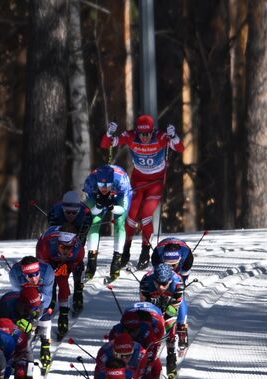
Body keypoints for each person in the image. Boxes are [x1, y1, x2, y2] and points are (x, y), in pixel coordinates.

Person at [102, 116, 184, 270]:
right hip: (138, 181)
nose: (144, 138)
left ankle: (145, 251)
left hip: (156, 183)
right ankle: (125, 252)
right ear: (137, 132)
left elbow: (180, 148)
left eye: (147, 134)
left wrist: (174, 136)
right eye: (141, 134)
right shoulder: (131, 136)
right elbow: (106, 144)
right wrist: (109, 134)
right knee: (131, 215)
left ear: (152, 132)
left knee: (146, 215)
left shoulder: (160, 137)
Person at [111, 302, 168, 379]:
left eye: (134, 330)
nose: (131, 334)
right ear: (122, 327)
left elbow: (151, 358)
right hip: (132, 341)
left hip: (154, 323)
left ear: (139, 327)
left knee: (148, 369)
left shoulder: (151, 332)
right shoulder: (116, 332)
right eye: (128, 330)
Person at [81, 164, 132, 281]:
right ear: (97, 182)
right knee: (94, 223)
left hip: (119, 194)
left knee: (119, 222)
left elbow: (123, 209)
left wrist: (111, 207)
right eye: (101, 185)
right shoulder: (90, 183)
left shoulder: (121, 183)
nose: (104, 188)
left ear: (112, 182)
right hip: (96, 194)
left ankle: (117, 260)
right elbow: (90, 212)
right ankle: (91, 262)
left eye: (107, 185)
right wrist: (98, 206)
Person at [10, 254, 57, 372]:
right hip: (26, 297)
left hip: (42, 296)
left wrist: (37, 313)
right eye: (30, 276)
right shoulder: (15, 273)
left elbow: (47, 300)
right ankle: (23, 349)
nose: (34, 279)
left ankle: (45, 344)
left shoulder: (47, 272)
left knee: (44, 312)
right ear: (23, 274)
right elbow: (18, 297)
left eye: (36, 274)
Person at [36, 228, 85, 339]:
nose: (66, 251)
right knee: (47, 279)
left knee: (64, 279)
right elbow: (43, 268)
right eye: (63, 247)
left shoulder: (79, 250)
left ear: (74, 245)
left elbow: (76, 264)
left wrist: (67, 267)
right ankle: (47, 303)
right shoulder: (46, 246)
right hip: (47, 256)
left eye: (69, 248)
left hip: (67, 261)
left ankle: (67, 310)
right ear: (57, 244)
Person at [139, 263, 185, 379]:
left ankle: (171, 360)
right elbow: (145, 306)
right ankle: (146, 357)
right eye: (158, 283)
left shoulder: (178, 283)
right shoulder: (145, 282)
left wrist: (166, 316)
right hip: (152, 303)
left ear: (170, 281)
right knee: (148, 324)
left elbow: (174, 308)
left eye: (164, 284)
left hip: (170, 304)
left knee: (170, 324)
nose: (161, 287)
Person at [48, 190, 91, 313]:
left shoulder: (86, 215)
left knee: (77, 259)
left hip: (78, 231)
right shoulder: (54, 213)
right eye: (68, 212)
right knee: (54, 261)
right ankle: (52, 292)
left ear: (79, 210)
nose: (71, 215)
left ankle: (78, 290)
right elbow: (53, 236)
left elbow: (79, 242)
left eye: (74, 212)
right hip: (59, 231)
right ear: (62, 209)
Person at [150, 236, 193, 351]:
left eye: (173, 265)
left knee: (179, 292)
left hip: (183, 266)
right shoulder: (156, 256)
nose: (171, 269)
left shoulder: (187, 257)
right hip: (161, 256)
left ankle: (182, 327)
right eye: (167, 265)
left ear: (179, 260)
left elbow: (182, 279)